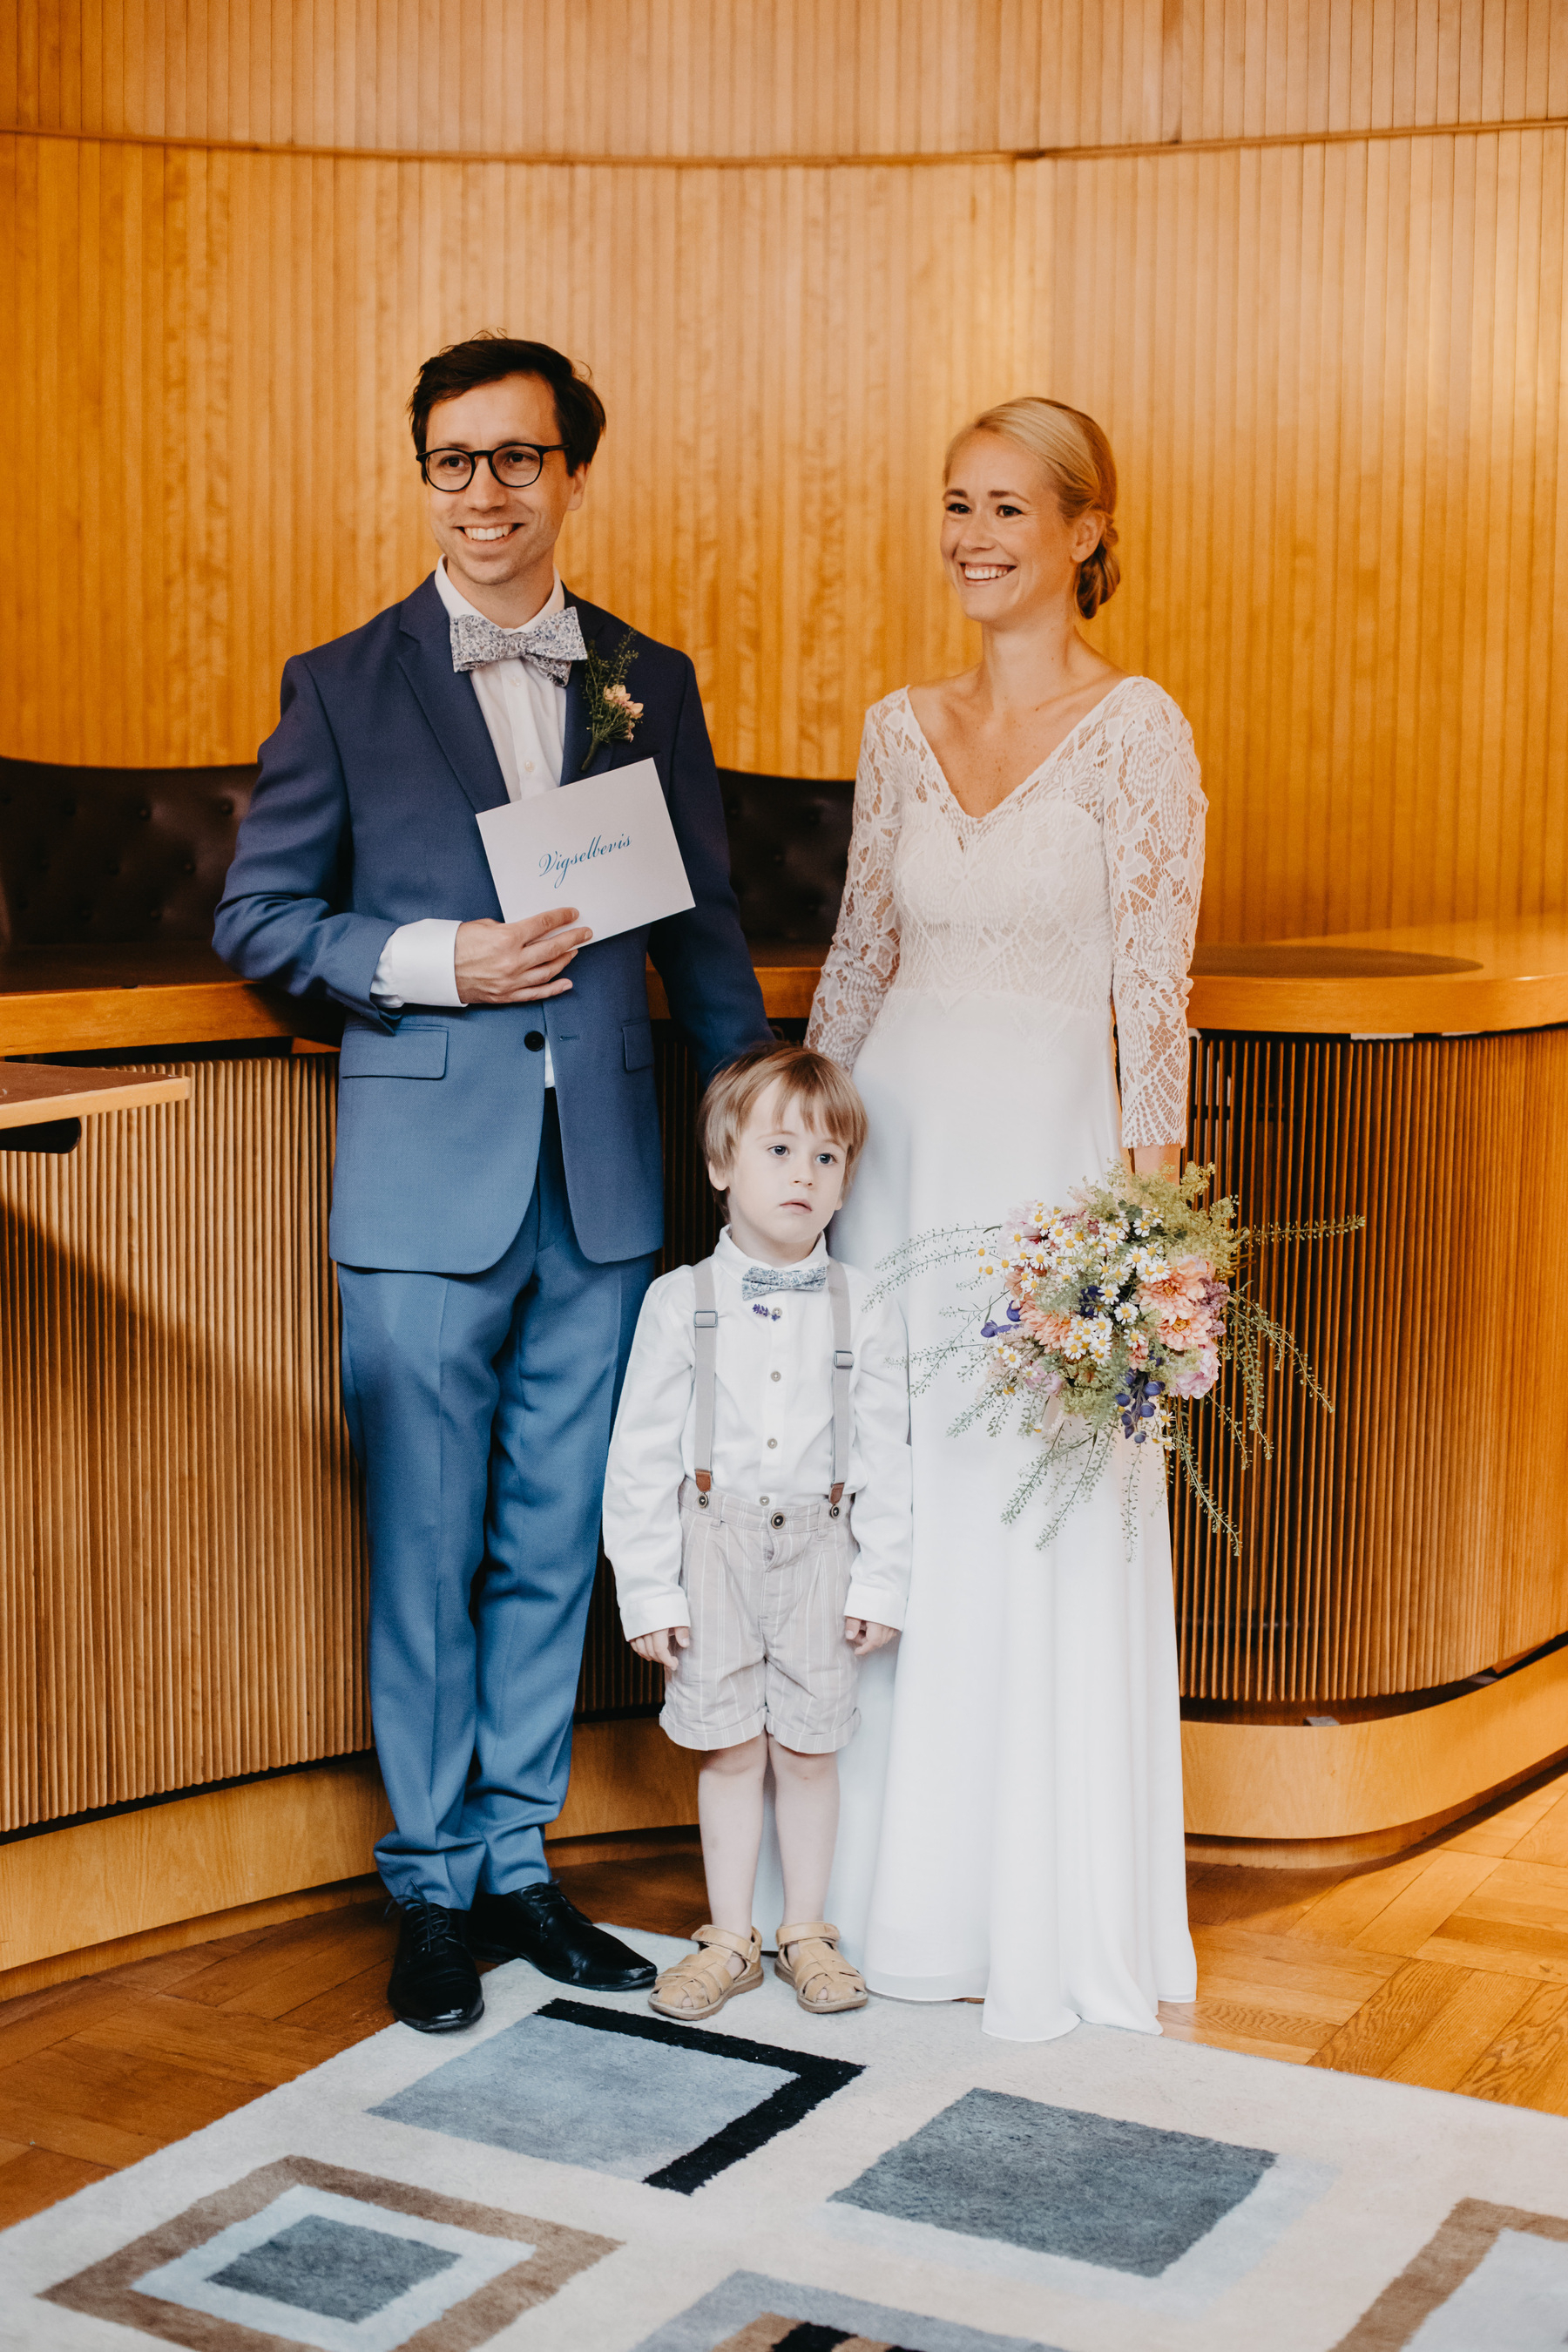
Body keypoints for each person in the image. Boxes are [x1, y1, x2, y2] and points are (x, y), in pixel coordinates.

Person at [214, 333, 770, 2032]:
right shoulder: (341, 682)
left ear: (571, 475)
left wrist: (748, 1116)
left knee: (552, 1540)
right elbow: (258, 921)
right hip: (421, 1180)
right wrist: (439, 959)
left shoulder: (641, 679)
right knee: (424, 1542)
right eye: (453, 461)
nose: (484, 493)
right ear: (425, 475)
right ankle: (432, 1888)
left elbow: (706, 922)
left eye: (516, 459)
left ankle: (523, 1865)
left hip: (603, 1178)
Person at [806, 396, 1204, 2042]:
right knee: (892, 1510)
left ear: (1086, 534)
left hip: (1047, 1190)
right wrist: (798, 1162)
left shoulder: (1141, 731)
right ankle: (871, 1903)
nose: (973, 537)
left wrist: (1143, 1246)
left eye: (1008, 511)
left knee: (1024, 1521)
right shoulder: (899, 728)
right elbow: (855, 961)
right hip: (893, 1165)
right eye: (954, 505)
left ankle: (1029, 1907)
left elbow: (1154, 998)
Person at [602, 1044, 911, 2020]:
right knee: (730, 1749)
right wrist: (649, 1590)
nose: (804, 1176)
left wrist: (882, 1582)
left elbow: (889, 1457)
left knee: (811, 1749)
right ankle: (729, 1935)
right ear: (722, 1165)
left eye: (826, 1159)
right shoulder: (675, 1301)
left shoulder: (870, 1304)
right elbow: (639, 1461)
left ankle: (805, 1931)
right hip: (712, 1551)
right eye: (779, 1150)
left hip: (824, 1549)